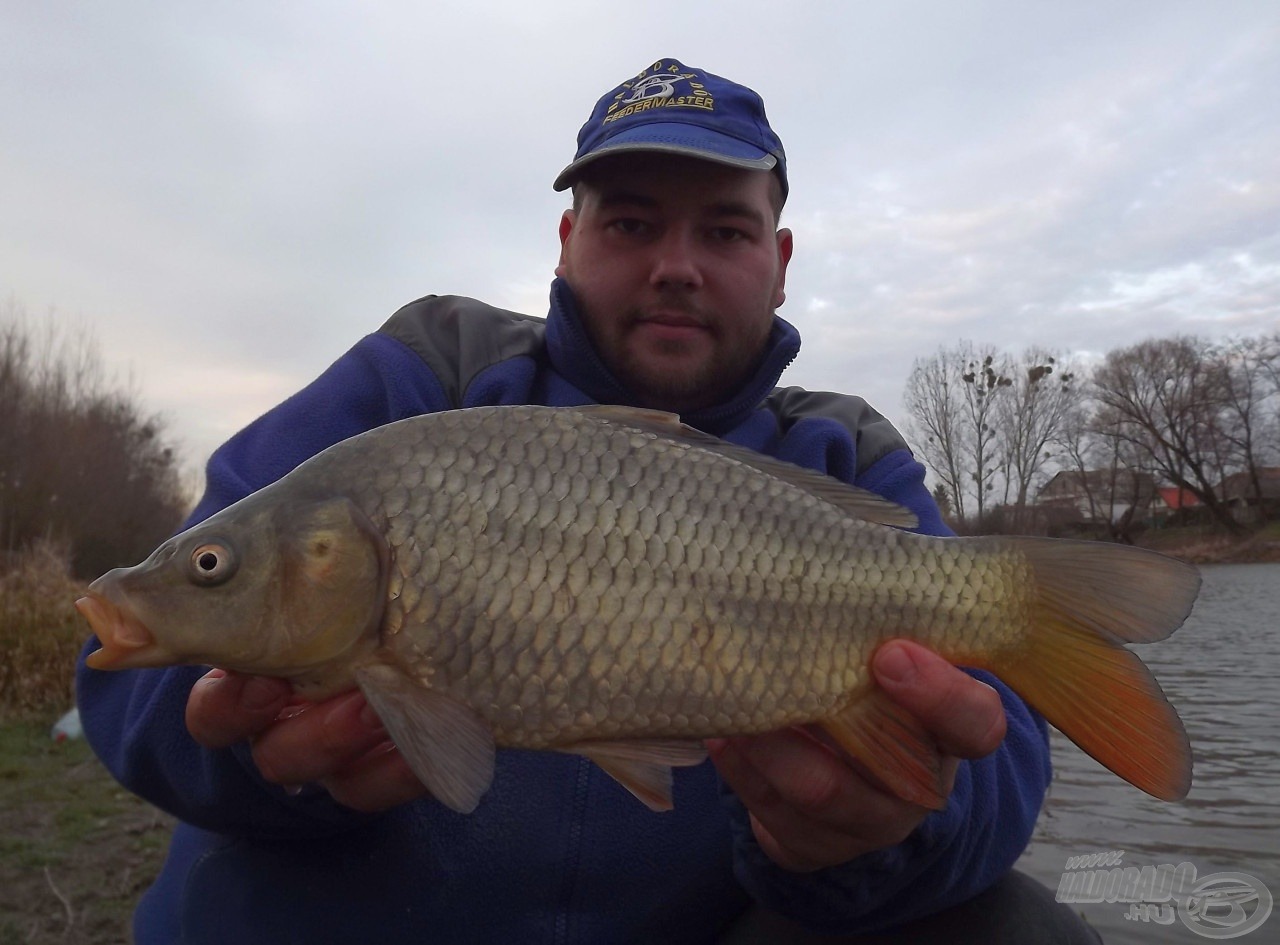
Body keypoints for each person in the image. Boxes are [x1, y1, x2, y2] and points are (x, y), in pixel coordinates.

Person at [77, 59, 1099, 944]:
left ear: (778, 264)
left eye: (726, 231)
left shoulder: (842, 456)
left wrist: (877, 831)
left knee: (1017, 931)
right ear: (566, 240)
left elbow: (996, 761)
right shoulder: (420, 380)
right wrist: (267, 763)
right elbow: (132, 684)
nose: (675, 266)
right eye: (631, 223)